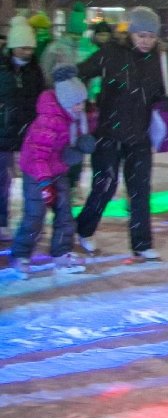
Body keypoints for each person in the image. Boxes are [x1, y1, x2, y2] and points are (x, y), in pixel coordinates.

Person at [75, 6, 168, 260]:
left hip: (141, 135)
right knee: (105, 185)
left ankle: (142, 243)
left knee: (140, 190)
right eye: (141, 35)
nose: (146, 41)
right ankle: (84, 228)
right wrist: (85, 101)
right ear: (131, 32)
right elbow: (82, 71)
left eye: (151, 35)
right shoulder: (112, 53)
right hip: (109, 132)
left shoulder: (161, 59)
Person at [10, 66, 91, 276]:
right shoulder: (49, 121)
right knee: (35, 214)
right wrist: (45, 182)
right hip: (37, 173)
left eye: (82, 102)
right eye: (77, 103)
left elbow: (72, 141)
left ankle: (61, 253)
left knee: (64, 214)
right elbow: (38, 154)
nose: (81, 107)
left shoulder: (73, 117)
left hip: (58, 170)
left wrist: (81, 146)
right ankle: (21, 254)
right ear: (65, 102)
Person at [1, 16, 47, 242]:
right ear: (12, 47)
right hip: (3, 132)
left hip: (30, 132)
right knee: (3, 180)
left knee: (34, 179)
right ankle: (2, 220)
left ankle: (33, 222)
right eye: (22, 47)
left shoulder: (35, 71)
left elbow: (41, 98)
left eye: (30, 47)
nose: (26, 52)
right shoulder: (2, 69)